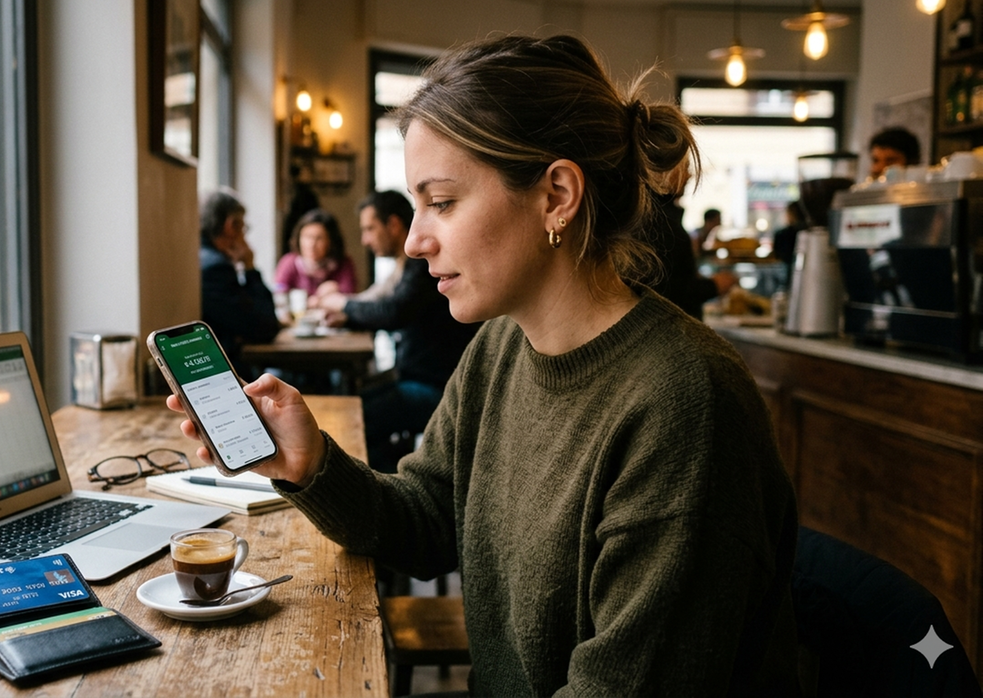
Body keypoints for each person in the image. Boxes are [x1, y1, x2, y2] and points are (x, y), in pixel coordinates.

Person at [170, 35, 800, 695]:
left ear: (557, 195)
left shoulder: (683, 404)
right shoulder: (502, 345)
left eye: (441, 202)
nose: (414, 240)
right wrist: (309, 464)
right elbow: (426, 520)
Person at [314, 191, 480, 474]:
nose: (365, 240)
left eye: (369, 229)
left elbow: (393, 311)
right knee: (353, 403)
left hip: (438, 387)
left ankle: (382, 484)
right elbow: (382, 302)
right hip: (420, 378)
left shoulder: (422, 265)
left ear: (392, 225)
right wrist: (346, 315)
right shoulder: (406, 266)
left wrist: (342, 304)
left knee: (354, 417)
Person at [200, 188, 281, 381]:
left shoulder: (199, 258)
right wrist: (250, 267)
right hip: (225, 374)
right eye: (243, 227)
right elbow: (266, 327)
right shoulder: (215, 268)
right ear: (231, 225)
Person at [649, 163, 734, 319]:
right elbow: (671, 292)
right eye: (684, 167)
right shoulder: (663, 225)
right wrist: (714, 286)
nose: (689, 175)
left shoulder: (659, 219)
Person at [274, 209, 357, 297]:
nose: (312, 244)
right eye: (307, 237)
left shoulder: (343, 264)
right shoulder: (289, 263)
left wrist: (337, 289)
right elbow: (279, 294)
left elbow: (349, 297)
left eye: (319, 238)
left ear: (331, 241)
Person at [773, 200, 809, 288]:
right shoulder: (809, 233)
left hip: (787, 270)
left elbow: (777, 254)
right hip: (808, 272)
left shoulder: (782, 233)